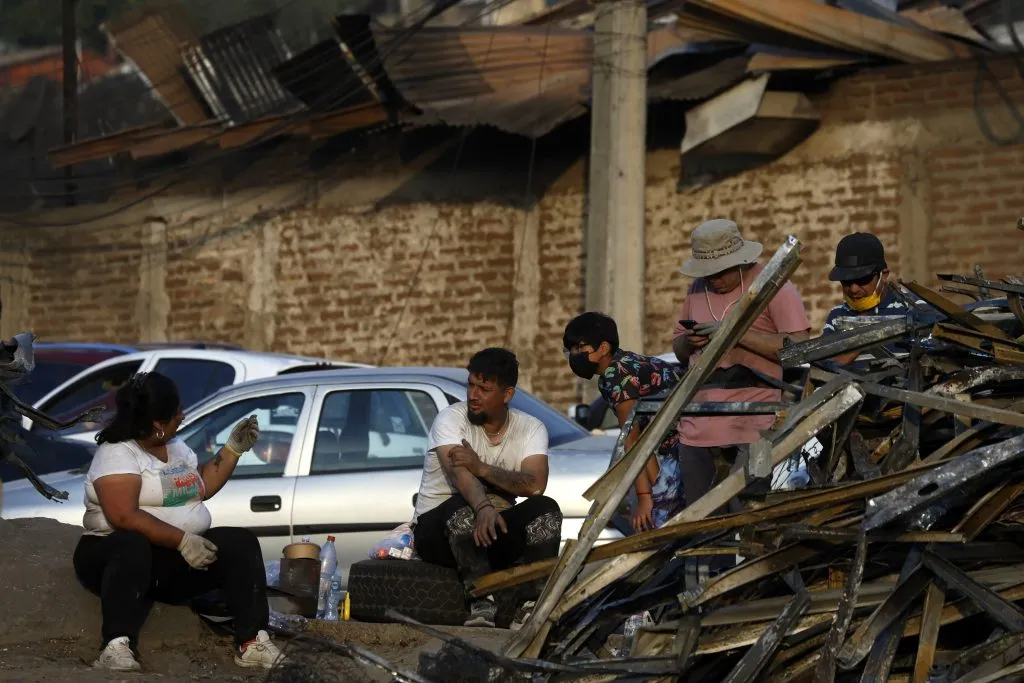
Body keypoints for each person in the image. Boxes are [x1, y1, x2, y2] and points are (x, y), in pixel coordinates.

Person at [72, 372, 285, 672]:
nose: (182, 417)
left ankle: (252, 642)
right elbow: (123, 515)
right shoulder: (117, 453)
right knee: (132, 544)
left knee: (240, 543)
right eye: (176, 414)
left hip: (168, 562)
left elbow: (200, 487)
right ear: (158, 423)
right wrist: (182, 541)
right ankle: (115, 645)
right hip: (115, 557)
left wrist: (232, 450)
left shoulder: (176, 449)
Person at [411, 348, 562, 628]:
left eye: (484, 388)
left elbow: (535, 484)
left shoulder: (530, 428)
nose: (473, 395)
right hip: (438, 533)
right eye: (471, 385)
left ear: (507, 395)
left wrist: (481, 468)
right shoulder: (451, 419)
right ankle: (482, 601)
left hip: (492, 532)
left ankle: (530, 605)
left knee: (546, 509)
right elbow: (459, 475)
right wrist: (482, 506)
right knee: (462, 508)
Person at [672, 219, 811, 510]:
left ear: (740, 262)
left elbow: (798, 348)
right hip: (698, 426)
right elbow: (678, 347)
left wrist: (734, 333)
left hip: (755, 425)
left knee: (748, 519)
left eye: (721, 272)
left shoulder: (773, 286)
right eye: (708, 273)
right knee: (701, 523)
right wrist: (691, 341)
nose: (715, 280)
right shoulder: (696, 290)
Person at [562, 312, 684, 531]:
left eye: (580, 348)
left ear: (603, 348)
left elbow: (633, 440)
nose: (575, 354)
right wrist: (655, 490)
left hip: (687, 442)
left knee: (662, 519)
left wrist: (646, 496)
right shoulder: (614, 371)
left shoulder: (619, 376)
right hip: (671, 445)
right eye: (570, 349)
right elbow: (643, 438)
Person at [822, 232, 924, 365]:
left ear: (884, 275)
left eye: (863, 280)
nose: (854, 289)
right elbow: (825, 367)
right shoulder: (837, 316)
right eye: (846, 281)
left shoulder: (914, 308)